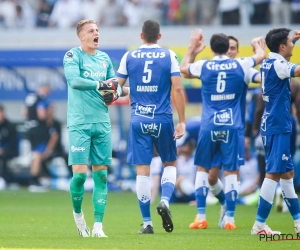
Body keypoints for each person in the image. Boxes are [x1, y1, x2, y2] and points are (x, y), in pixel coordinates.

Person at [180, 30, 265, 230]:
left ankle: (201, 217)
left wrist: (193, 47)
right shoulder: (240, 64)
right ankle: (230, 220)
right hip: (232, 125)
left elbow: (183, 69)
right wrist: (257, 44)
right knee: (232, 172)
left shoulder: (204, 65)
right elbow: (261, 57)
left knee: (202, 169)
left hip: (209, 125)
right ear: (227, 48)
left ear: (210, 49)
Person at [113, 19, 186, 234]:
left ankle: (147, 223)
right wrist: (181, 121)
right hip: (162, 118)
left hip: (138, 120)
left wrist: (113, 93)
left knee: (142, 172)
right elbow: (178, 89)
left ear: (141, 36)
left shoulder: (129, 56)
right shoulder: (168, 55)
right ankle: (164, 201)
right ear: (159, 37)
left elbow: (116, 87)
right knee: (170, 163)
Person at [63, 19, 121, 238]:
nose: (96, 34)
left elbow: (114, 87)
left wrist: (116, 93)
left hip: (102, 124)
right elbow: (74, 82)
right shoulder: (72, 56)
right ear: (81, 36)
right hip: (79, 123)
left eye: (97, 30)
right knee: (79, 176)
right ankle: (79, 218)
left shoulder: (105, 58)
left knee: (102, 177)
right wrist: (101, 85)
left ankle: (98, 226)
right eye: (91, 31)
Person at [207, 35, 262, 227]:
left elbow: (259, 78)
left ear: (238, 51)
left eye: (233, 48)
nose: (230, 51)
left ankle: (230, 216)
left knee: (232, 173)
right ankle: (224, 203)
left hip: (235, 129)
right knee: (211, 178)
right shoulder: (213, 70)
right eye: (228, 48)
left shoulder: (243, 69)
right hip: (214, 127)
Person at [251, 28, 300, 235]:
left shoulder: (270, 62)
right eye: (289, 42)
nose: (291, 44)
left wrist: (294, 40)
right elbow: (295, 70)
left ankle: (298, 223)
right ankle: (259, 224)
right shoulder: (279, 64)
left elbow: (285, 63)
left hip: (275, 124)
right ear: (281, 46)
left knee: (287, 174)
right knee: (273, 174)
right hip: (277, 126)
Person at [23, 83, 51, 192]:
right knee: (38, 154)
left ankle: (34, 179)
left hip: (30, 127)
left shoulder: (29, 97)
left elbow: (24, 112)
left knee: (35, 153)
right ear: (44, 89)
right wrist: (48, 115)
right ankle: (34, 180)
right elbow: (41, 115)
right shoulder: (42, 98)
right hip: (39, 129)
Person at [0, 104, 19, 186]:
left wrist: (3, 149)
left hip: (10, 151)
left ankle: (2, 179)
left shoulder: (10, 126)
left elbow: (13, 142)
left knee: (4, 155)